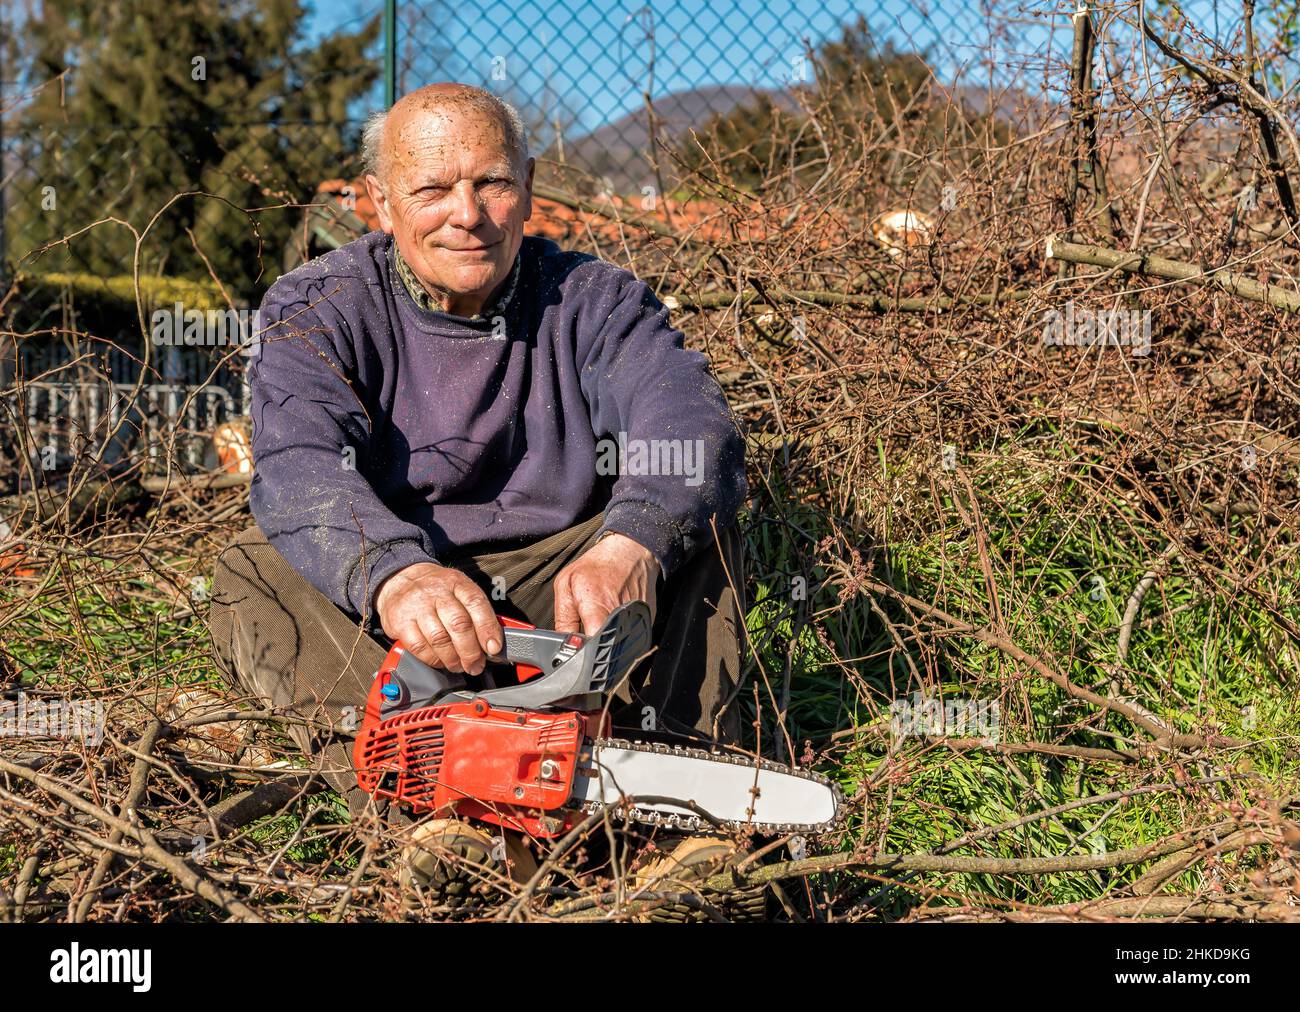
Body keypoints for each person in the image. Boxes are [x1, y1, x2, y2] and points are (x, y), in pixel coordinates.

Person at [208, 83, 751, 900]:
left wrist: (633, 538)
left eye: (491, 183)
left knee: (697, 520)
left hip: (566, 592)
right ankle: (430, 820)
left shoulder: (595, 300)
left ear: (528, 188)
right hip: (409, 592)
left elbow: (690, 422)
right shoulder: (319, 304)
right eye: (431, 189)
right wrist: (394, 572)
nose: (467, 213)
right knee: (254, 570)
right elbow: (298, 466)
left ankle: (676, 820)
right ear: (380, 204)